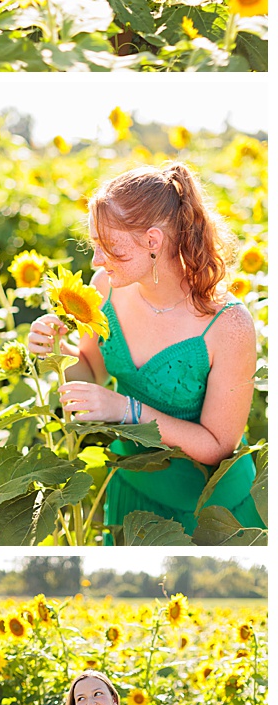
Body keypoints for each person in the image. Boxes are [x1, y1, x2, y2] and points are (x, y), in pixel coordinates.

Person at [27, 163, 261, 541]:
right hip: (131, 484)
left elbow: (219, 445)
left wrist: (125, 410)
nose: (96, 261)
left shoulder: (229, 325)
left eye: (110, 248)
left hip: (207, 509)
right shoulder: (105, 286)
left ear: (153, 241)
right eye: (94, 246)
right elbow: (92, 371)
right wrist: (55, 353)